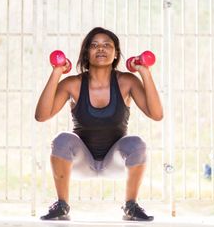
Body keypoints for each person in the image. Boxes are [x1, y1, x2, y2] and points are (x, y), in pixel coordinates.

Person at [35, 27, 163, 221]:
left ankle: (131, 206)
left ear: (116, 53)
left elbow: (157, 114)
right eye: (94, 45)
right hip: (81, 162)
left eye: (107, 45)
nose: (100, 49)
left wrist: (144, 71)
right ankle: (61, 205)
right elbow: (41, 116)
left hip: (116, 162)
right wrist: (56, 72)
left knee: (137, 142)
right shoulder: (73, 83)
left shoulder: (127, 81)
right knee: (61, 139)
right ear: (86, 52)